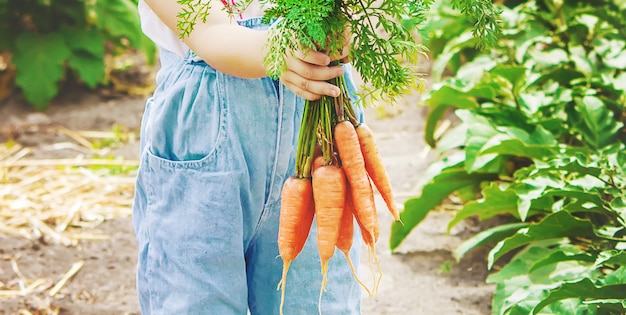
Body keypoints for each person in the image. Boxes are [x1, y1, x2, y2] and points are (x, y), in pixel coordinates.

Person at [132, 1, 364, 314]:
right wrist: (282, 50)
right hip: (206, 135)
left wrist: (345, 32)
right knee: (198, 299)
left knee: (317, 299)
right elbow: (209, 30)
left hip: (317, 123)